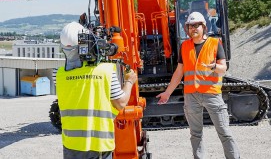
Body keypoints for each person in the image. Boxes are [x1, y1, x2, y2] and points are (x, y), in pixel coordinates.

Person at [156, 12, 240, 159]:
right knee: (195, 134)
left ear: (204, 27)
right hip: (191, 96)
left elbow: (223, 69)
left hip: (211, 94)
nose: (193, 28)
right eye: (190, 26)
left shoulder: (214, 43)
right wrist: (167, 93)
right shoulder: (185, 46)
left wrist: (214, 66)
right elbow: (179, 72)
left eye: (196, 25)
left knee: (224, 132)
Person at [56, 22, 137, 159]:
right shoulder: (105, 71)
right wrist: (129, 81)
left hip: (71, 144)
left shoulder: (60, 75)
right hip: (98, 146)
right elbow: (121, 103)